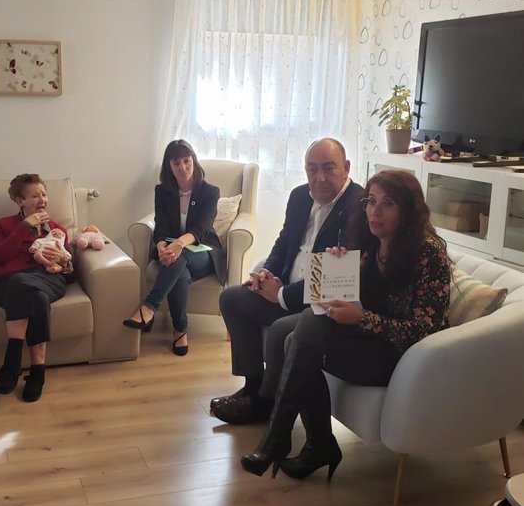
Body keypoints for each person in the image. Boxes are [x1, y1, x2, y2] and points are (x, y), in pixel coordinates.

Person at [240, 170, 452, 481]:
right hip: (370, 340)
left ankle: (288, 437)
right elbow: (354, 297)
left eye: (388, 204)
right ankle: (309, 441)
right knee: (297, 334)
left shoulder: (428, 253)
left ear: (408, 210)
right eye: (371, 201)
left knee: (302, 335)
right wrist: (340, 268)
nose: (374, 212)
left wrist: (361, 318)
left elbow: (425, 328)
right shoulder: (371, 242)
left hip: (406, 358)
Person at [211, 138, 364, 424]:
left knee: (282, 328)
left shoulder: (358, 206)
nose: (319, 178)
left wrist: (281, 295)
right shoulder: (299, 196)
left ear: (346, 168)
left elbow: (336, 280)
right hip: (284, 290)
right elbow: (284, 243)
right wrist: (265, 274)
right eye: (312, 169)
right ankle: (253, 387)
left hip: (319, 308)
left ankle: (264, 403)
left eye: (329, 168)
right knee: (231, 299)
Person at [123, 139, 224, 356]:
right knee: (180, 272)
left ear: (194, 161)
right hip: (173, 254)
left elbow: (202, 229)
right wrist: (161, 246)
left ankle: (149, 306)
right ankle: (180, 329)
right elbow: (161, 227)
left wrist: (178, 244)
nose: (183, 168)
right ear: (169, 166)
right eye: (176, 163)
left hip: (203, 252)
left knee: (181, 256)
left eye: (186, 161)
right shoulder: (163, 191)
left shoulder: (210, 192)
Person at [0, 173, 73, 402]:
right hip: (8, 284)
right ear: (19, 201)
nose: (42, 199)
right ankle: (38, 373)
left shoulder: (56, 229)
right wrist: (25, 226)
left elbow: (68, 267)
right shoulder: (3, 225)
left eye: (44, 194)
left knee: (27, 285)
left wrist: (63, 265)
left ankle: (12, 362)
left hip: (48, 279)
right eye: (35, 195)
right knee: (35, 297)